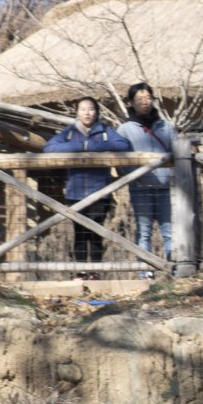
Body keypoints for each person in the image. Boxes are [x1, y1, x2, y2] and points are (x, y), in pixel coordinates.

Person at [44, 96, 131, 277]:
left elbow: (124, 145)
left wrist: (92, 145)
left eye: (90, 109)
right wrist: (79, 146)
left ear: (97, 112)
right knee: (80, 234)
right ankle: (80, 271)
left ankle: (96, 272)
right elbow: (49, 148)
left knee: (96, 233)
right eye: (83, 109)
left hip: (100, 190)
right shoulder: (69, 133)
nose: (87, 113)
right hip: (75, 191)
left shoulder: (105, 131)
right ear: (77, 112)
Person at [114, 81, 175, 277]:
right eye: (140, 99)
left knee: (169, 230)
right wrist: (134, 174)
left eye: (148, 98)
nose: (145, 102)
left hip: (166, 187)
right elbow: (118, 158)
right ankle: (145, 272)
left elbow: (178, 152)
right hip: (141, 187)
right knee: (144, 231)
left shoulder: (166, 127)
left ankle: (174, 269)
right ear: (131, 102)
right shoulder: (125, 129)